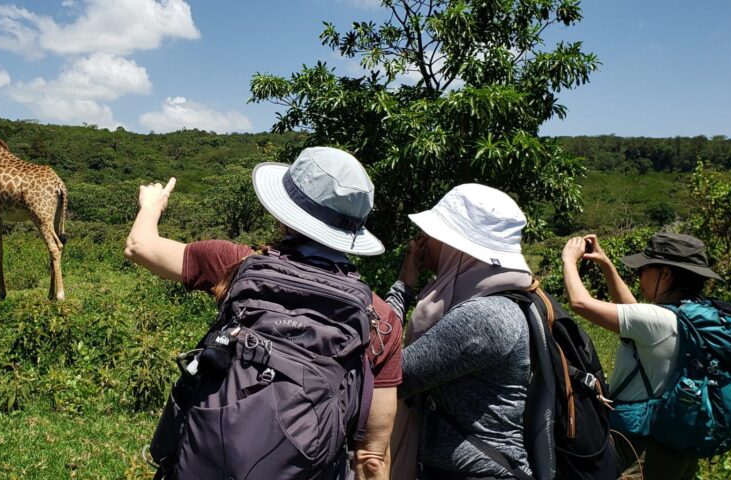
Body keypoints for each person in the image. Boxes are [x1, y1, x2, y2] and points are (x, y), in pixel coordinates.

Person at [124, 147, 403, 479]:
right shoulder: (381, 319)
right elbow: (371, 456)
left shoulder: (236, 263)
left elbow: (139, 246)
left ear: (284, 214)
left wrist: (151, 206)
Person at [389, 184, 537, 480]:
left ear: (459, 247)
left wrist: (402, 289)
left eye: (435, 234)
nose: (424, 241)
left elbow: (393, 376)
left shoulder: (483, 317)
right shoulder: (493, 302)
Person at [560, 232, 723, 479]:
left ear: (665, 275)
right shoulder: (689, 316)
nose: (639, 276)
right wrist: (606, 264)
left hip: (643, 450)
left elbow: (581, 303)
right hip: (677, 446)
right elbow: (633, 310)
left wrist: (568, 260)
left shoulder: (656, 321)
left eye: (644, 269)